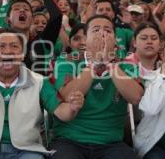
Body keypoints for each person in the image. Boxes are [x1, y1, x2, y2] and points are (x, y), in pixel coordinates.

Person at [0, 28, 84, 159]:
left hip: (25, 150)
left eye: (14, 46)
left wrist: (72, 107)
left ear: (23, 54)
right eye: (1, 46)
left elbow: (61, 112)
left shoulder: (39, 82)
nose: (8, 51)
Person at [50, 15, 143, 159]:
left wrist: (109, 63)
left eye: (107, 30)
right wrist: (94, 63)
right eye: (96, 30)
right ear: (85, 40)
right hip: (69, 140)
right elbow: (68, 95)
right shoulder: (67, 60)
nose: (102, 34)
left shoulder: (126, 64)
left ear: (115, 40)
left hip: (111, 143)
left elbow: (136, 97)